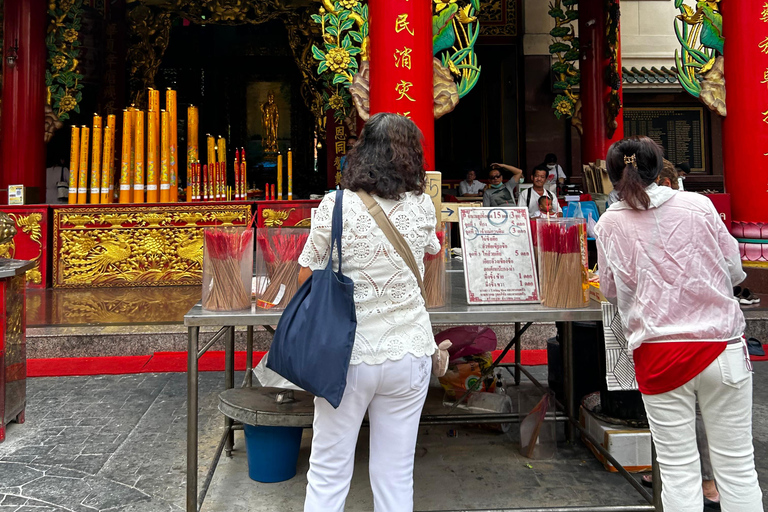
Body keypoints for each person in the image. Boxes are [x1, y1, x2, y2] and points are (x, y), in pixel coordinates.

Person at [595, 136, 763, 512]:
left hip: (659, 355)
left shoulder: (608, 223)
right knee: (737, 468)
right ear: (659, 168)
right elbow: (735, 272)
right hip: (720, 347)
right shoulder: (699, 206)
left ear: (612, 177)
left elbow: (609, 290)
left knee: (677, 470)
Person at [297, 113, 441, 512]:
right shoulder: (422, 207)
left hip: (346, 356)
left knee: (328, 469)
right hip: (409, 350)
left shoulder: (334, 205)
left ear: (362, 154)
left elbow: (307, 269)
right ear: (412, 157)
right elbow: (432, 251)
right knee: (395, 474)